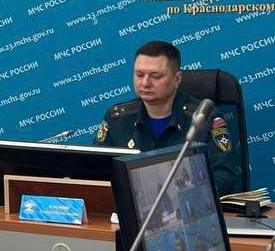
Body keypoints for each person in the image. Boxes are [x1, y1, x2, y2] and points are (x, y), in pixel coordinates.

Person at [94, 41, 240, 196]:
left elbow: (224, 178)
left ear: (177, 79)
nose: (145, 83)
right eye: (139, 75)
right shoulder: (117, 119)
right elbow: (96, 171)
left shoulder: (204, 119)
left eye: (156, 76)